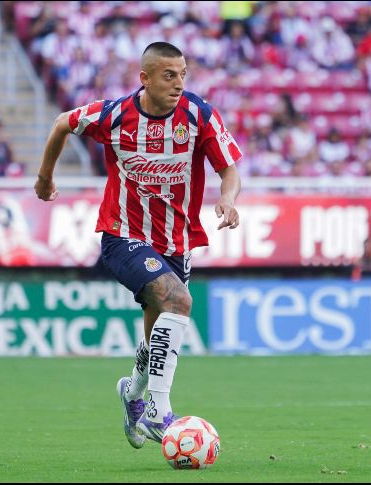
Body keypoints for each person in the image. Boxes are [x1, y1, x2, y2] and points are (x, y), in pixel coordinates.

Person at [34, 42, 242, 448]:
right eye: (169, 75)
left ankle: (133, 393)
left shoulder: (199, 114)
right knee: (179, 303)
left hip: (176, 243)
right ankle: (158, 410)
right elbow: (62, 122)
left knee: (157, 335)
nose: (179, 82)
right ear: (144, 78)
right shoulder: (114, 115)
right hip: (123, 234)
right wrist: (45, 178)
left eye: (183, 73)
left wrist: (228, 198)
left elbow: (229, 169)